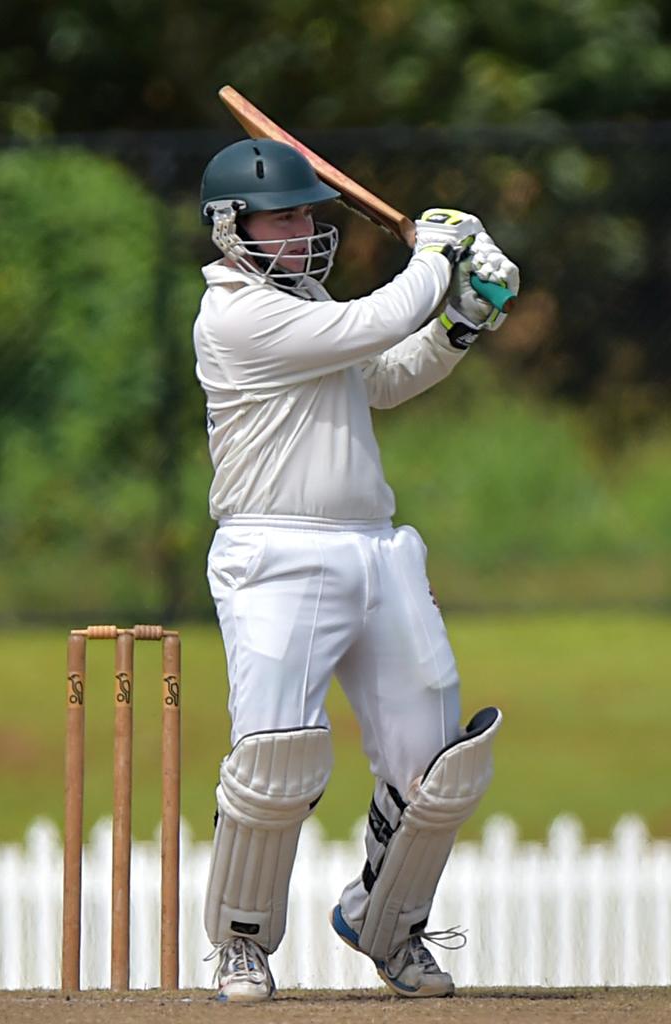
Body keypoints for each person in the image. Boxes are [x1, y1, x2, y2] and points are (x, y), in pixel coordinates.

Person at [193, 138, 518, 1003]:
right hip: (276, 552)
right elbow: (370, 325)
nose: (304, 227)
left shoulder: (305, 305)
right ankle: (242, 943)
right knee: (277, 759)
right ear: (232, 227)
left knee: (436, 766)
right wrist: (437, 255)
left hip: (374, 545)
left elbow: (378, 375)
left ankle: (387, 921)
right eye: (285, 214)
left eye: (307, 213)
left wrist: (461, 323)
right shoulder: (234, 315)